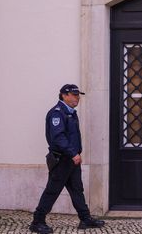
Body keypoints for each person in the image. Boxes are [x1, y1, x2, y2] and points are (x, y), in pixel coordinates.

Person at [29, 84, 105, 233]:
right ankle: (37, 222)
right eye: (74, 94)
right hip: (62, 159)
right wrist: (73, 153)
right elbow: (58, 138)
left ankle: (85, 219)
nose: (77, 98)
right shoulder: (57, 113)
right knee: (52, 191)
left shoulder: (70, 113)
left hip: (71, 160)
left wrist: (75, 154)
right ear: (64, 95)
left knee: (77, 190)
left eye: (78, 95)